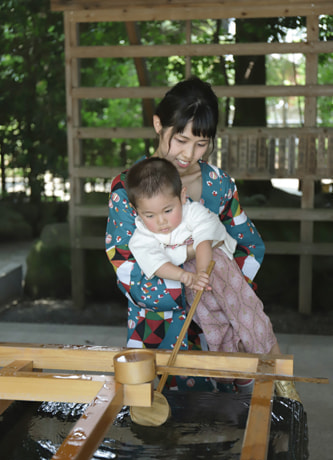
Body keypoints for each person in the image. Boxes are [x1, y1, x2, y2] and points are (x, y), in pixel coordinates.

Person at [105, 76, 300, 401]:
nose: (188, 154)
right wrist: (186, 282)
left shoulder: (218, 184)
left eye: (201, 143)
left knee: (220, 428)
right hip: (156, 324)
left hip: (218, 319)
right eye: (180, 140)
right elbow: (124, 261)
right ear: (158, 125)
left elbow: (249, 244)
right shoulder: (128, 187)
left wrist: (224, 291)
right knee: (152, 425)